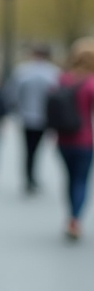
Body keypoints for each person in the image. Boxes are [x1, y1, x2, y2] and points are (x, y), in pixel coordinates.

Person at [8, 44, 60, 194]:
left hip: (26, 116)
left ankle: (28, 178)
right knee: (37, 148)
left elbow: (13, 94)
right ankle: (32, 177)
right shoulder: (53, 73)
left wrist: (16, 109)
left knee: (27, 148)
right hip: (44, 117)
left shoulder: (23, 71)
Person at [55, 38, 94, 241]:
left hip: (63, 139)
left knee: (70, 179)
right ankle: (75, 219)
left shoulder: (64, 79)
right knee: (81, 180)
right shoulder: (91, 82)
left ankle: (70, 216)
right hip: (85, 141)